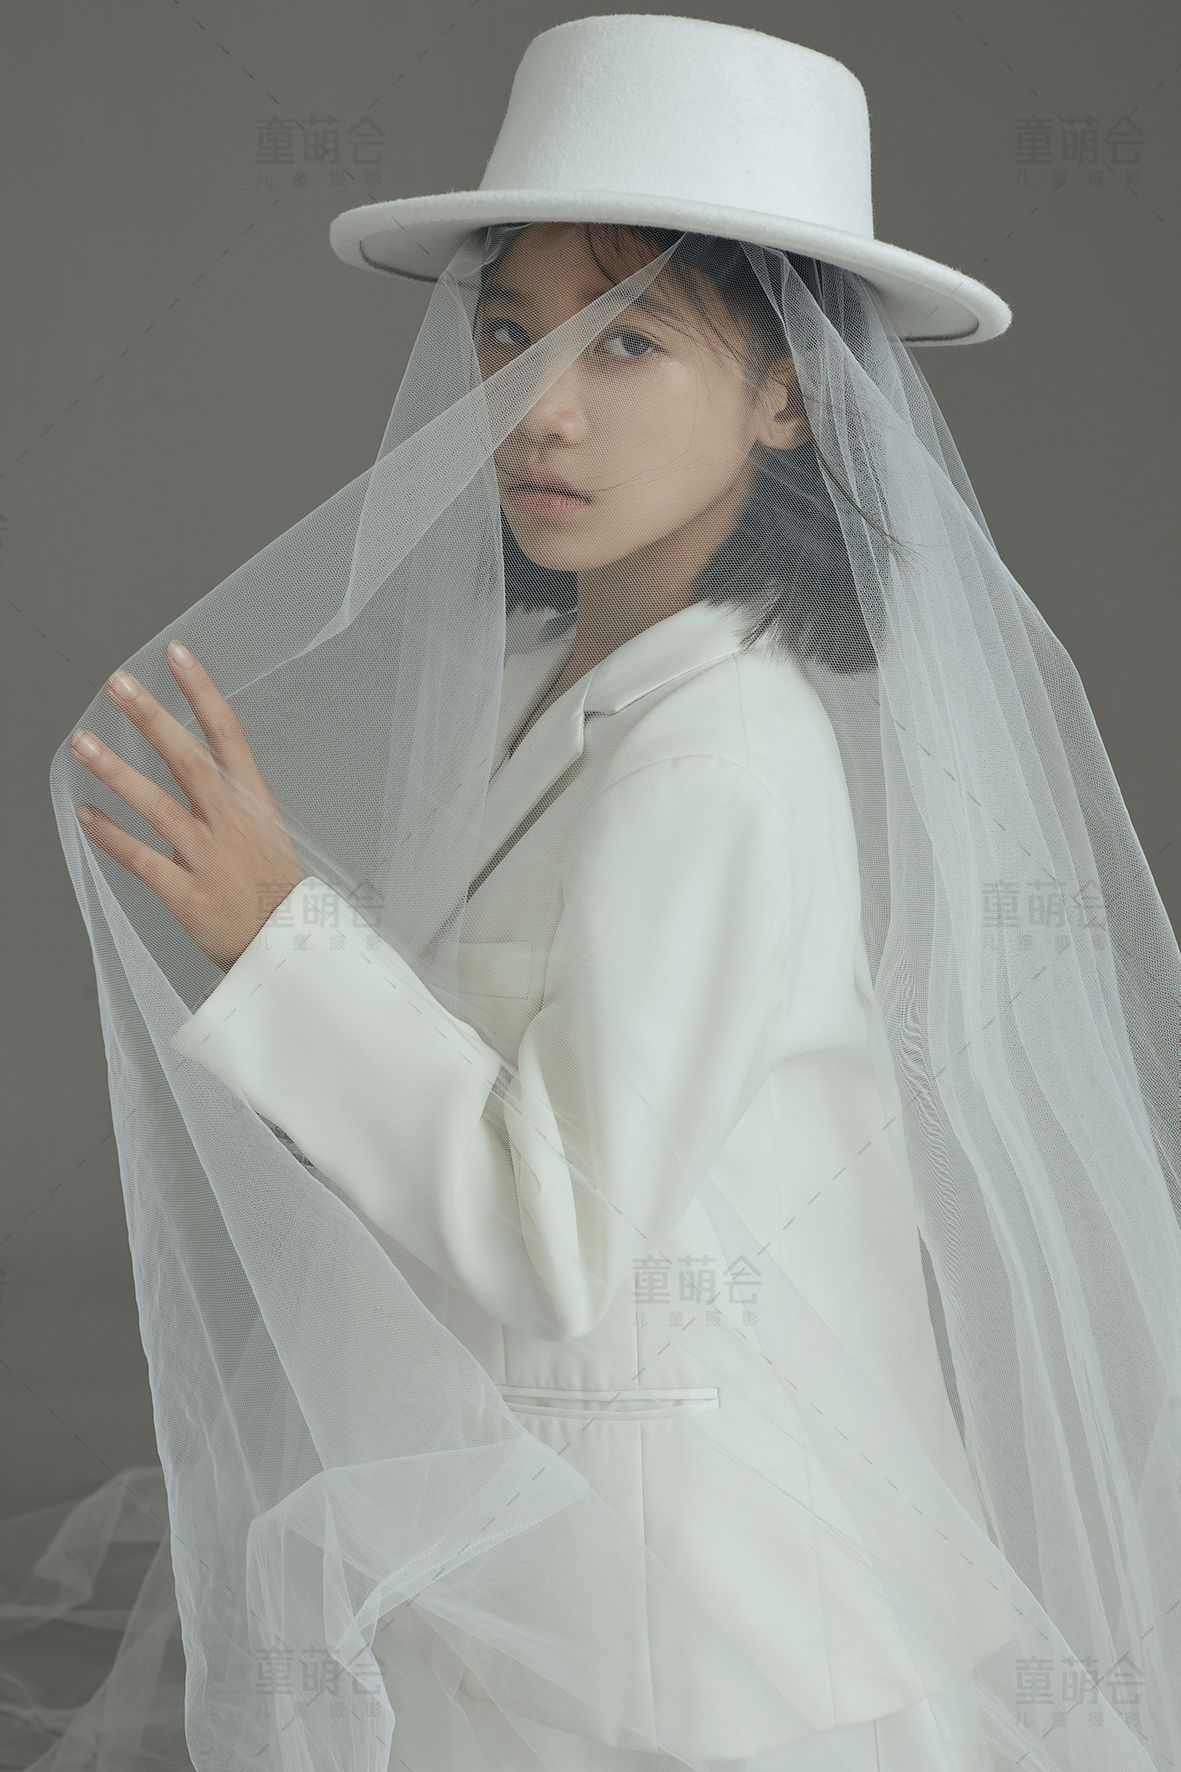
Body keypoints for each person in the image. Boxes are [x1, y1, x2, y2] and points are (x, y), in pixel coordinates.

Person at [6, 16, 1180, 1772]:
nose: (539, 405)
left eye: (626, 338)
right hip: (547, 1543)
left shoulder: (718, 760)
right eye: (508, 331)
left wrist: (274, 937)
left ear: (788, 392)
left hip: (685, 1629)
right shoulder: (544, 686)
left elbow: (548, 1237)